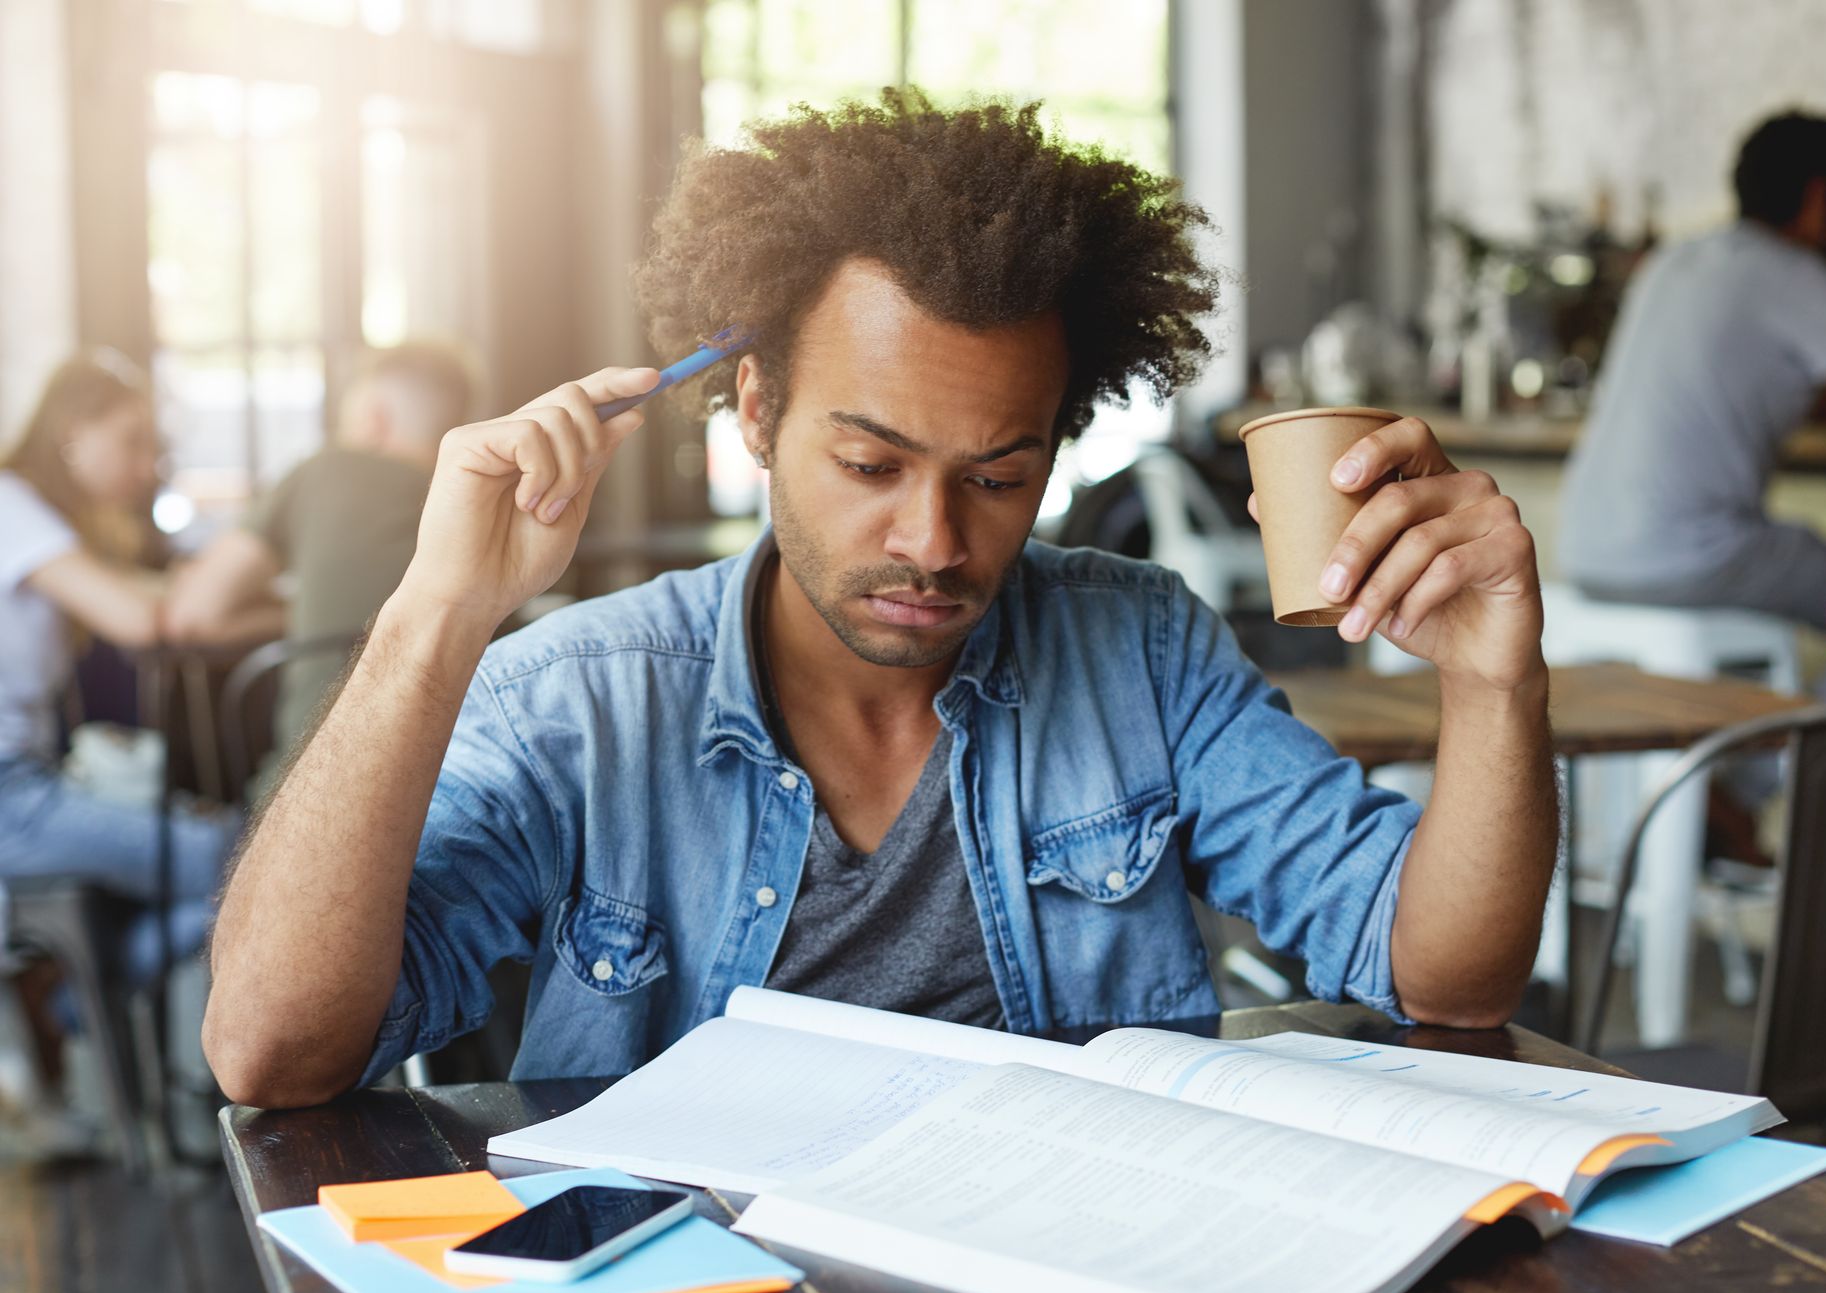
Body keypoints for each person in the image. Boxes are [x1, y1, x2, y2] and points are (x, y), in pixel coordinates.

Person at [203, 93, 1559, 1110]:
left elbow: (1447, 979)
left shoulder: (1140, 650)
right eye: (869, 462)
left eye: (1000, 473)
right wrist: (435, 613)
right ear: (754, 412)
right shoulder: (584, 699)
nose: (934, 539)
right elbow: (274, 1051)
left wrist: (1494, 679)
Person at [1559, 110, 1826, 629]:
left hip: (1583, 550)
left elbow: (1788, 394)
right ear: (1818, 199)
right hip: (1692, 555)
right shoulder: (1791, 272)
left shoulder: (1675, 261)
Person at [0, 351, 262, 1114]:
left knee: (229, 857)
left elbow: (158, 599)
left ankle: (81, 995)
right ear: (72, 434)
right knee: (248, 858)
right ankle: (78, 1002)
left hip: (30, 786)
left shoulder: (42, 522)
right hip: (11, 797)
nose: (147, 464)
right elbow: (145, 620)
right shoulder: (12, 504)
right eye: (133, 440)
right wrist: (299, 615)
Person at [166, 343, 476, 763]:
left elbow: (194, 615)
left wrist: (303, 615)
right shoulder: (482, 501)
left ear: (374, 419)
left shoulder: (331, 471)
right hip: (472, 781)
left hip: (314, 790)